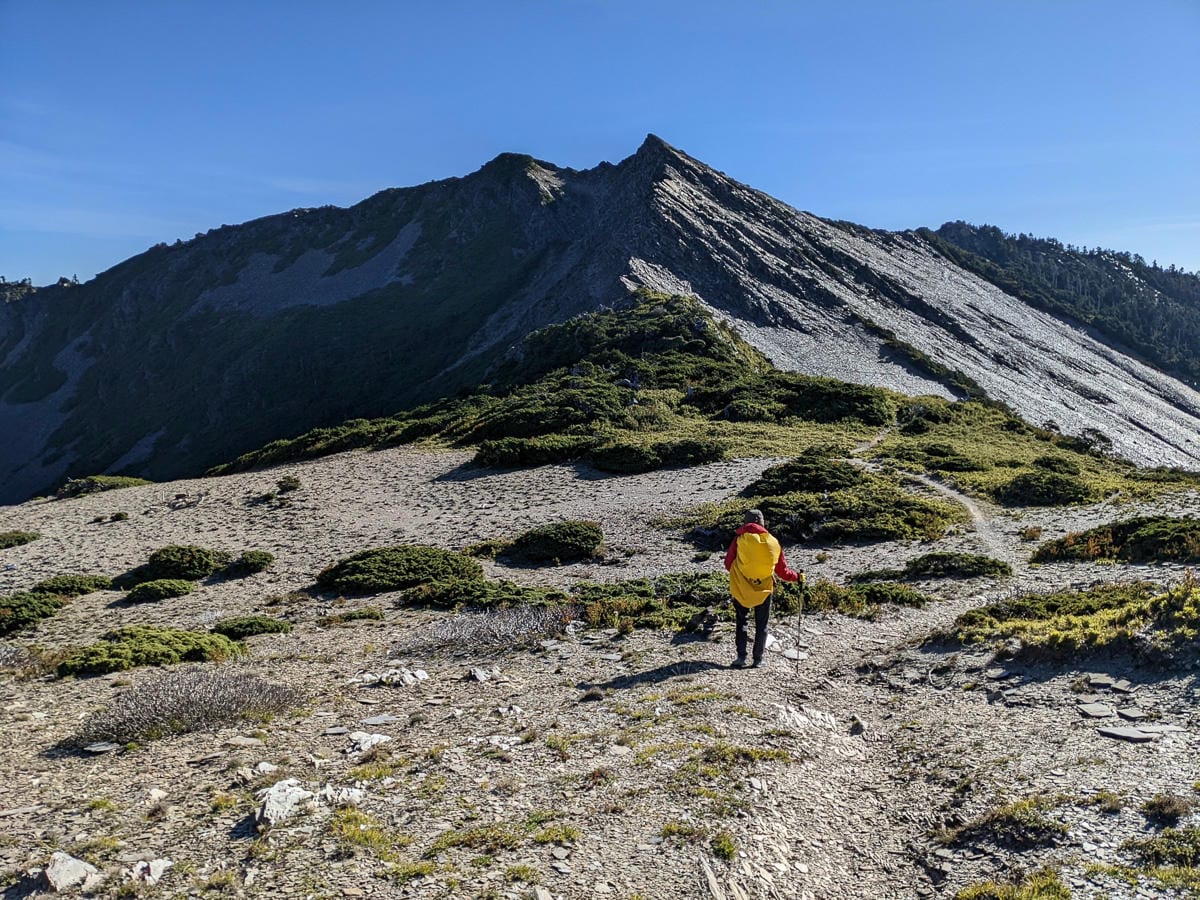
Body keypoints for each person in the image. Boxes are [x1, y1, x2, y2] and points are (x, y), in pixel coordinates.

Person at [724, 509, 802, 668]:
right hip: (765, 588)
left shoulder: (739, 539)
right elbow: (783, 572)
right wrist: (798, 577)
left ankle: (741, 657)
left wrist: (741, 571)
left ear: (745, 523)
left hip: (741, 588)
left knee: (742, 621)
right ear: (762, 523)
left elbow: (728, 564)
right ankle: (758, 659)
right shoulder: (773, 542)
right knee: (762, 624)